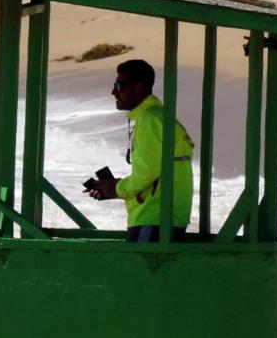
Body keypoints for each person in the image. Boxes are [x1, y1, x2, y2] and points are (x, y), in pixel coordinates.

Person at [83, 59, 195, 243]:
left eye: (119, 86)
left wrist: (116, 189)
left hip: (154, 219)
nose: (113, 92)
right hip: (166, 219)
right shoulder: (159, 117)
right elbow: (155, 173)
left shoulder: (149, 120)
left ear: (138, 88)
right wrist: (112, 188)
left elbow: (145, 174)